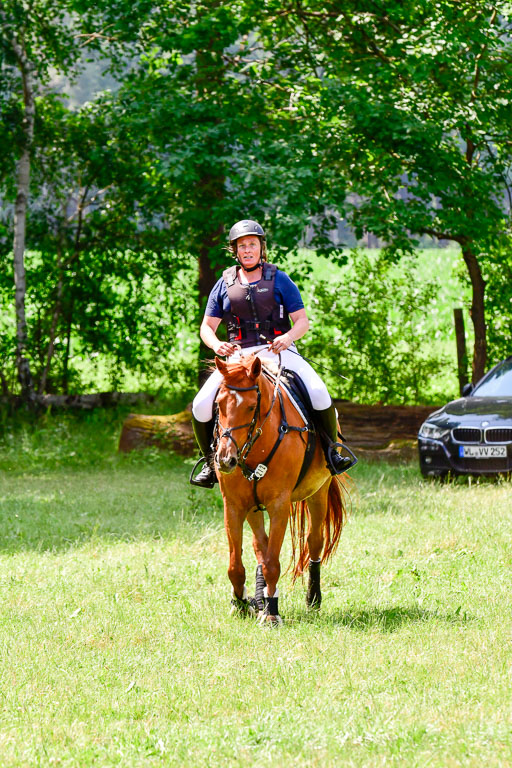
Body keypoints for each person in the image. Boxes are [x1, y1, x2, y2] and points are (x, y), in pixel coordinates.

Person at [190, 219, 352, 488]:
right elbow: (207, 327)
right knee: (200, 403)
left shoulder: (280, 279)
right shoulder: (224, 283)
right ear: (236, 251)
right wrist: (217, 345)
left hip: (278, 351)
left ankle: (331, 454)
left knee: (319, 392)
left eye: (252, 244)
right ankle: (209, 462)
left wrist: (287, 337)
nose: (248, 250)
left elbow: (302, 321)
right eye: (242, 246)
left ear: (261, 248)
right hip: (239, 357)